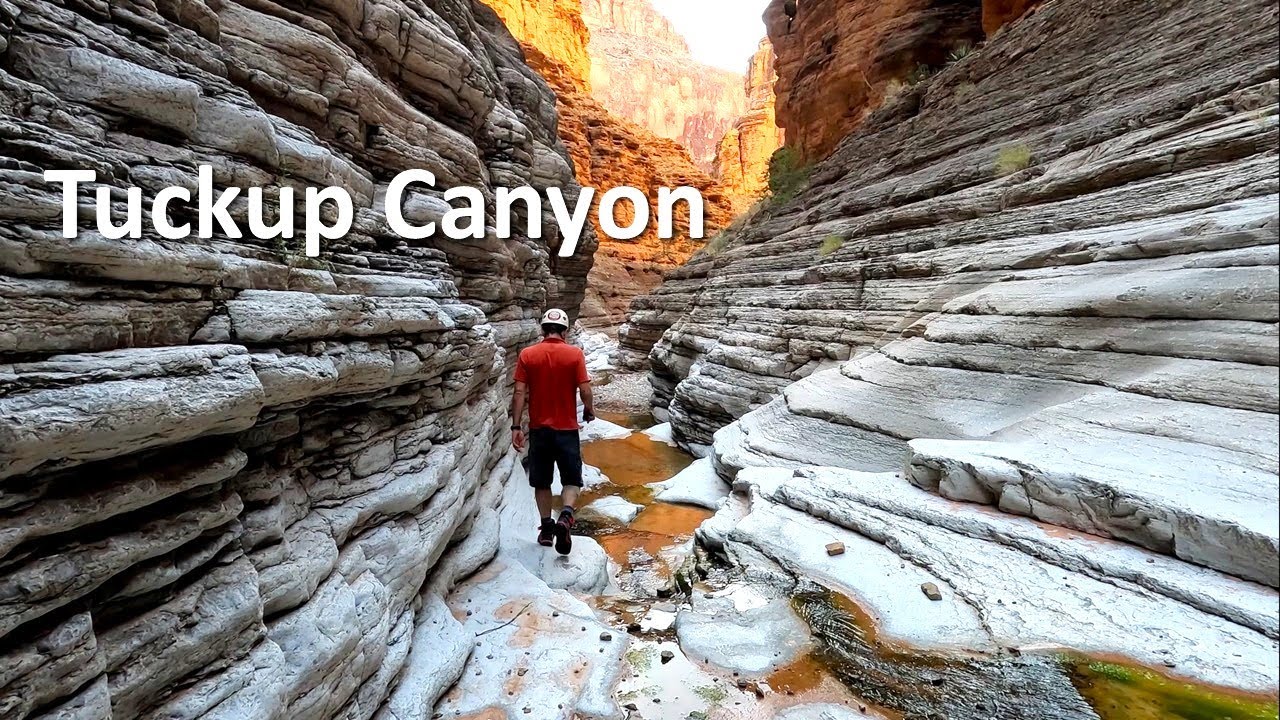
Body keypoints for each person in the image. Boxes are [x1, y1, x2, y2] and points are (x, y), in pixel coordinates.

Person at [510, 308, 595, 555]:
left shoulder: (528, 354)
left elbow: (519, 393)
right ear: (565, 331)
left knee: (542, 482)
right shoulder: (574, 354)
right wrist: (589, 410)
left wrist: (516, 426)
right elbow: (585, 390)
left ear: (543, 329)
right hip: (567, 430)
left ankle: (547, 530)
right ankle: (566, 516)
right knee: (571, 480)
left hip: (539, 431)